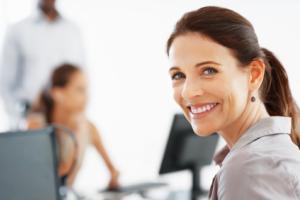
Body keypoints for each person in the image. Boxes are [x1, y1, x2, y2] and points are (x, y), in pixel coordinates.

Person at [166, 6, 300, 200]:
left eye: (209, 70)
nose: (188, 91)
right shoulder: (265, 156)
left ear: (254, 75)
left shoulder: (249, 168)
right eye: (178, 75)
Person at [27, 63, 119, 189]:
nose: (87, 97)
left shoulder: (88, 128)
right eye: (80, 90)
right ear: (58, 94)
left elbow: (113, 171)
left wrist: (114, 180)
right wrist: (78, 135)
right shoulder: (37, 126)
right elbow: (55, 182)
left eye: (86, 90)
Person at [0, 0, 85, 129]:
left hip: (66, 124)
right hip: (29, 121)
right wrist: (20, 119)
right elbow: (6, 83)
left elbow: (81, 77)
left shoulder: (73, 31)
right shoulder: (17, 31)